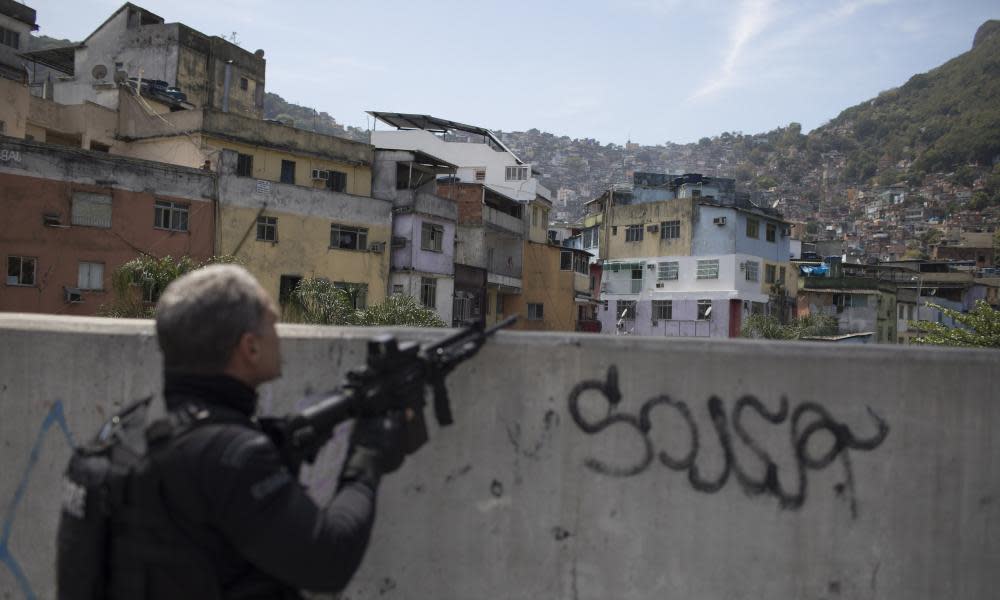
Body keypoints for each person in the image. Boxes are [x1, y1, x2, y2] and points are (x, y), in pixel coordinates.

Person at [106, 264, 410, 598]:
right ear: (250, 348)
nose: (279, 336)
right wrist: (367, 457)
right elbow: (329, 561)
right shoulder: (235, 457)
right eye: (274, 325)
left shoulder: (125, 439)